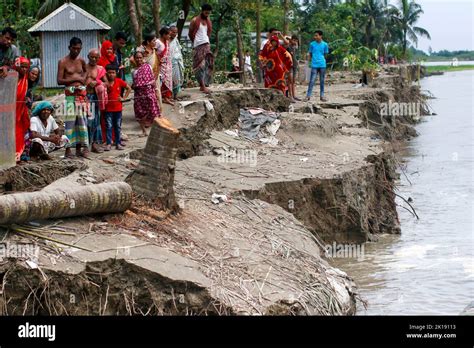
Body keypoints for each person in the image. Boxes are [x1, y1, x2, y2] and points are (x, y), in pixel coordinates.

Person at [57, 37, 90, 159]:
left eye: (79, 49)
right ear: (69, 47)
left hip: (81, 95)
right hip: (70, 96)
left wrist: (83, 79)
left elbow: (86, 72)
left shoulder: (81, 60)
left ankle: (81, 148)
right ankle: (68, 149)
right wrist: (76, 79)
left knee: (82, 123)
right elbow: (59, 80)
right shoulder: (63, 62)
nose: (76, 51)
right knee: (70, 124)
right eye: (74, 48)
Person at [131, 51, 161, 136]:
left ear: (143, 58)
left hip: (149, 93)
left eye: (140, 57)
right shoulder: (133, 71)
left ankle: (157, 130)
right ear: (134, 59)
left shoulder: (148, 67)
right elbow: (134, 83)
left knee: (154, 111)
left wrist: (156, 91)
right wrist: (136, 86)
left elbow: (152, 79)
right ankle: (144, 131)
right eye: (137, 58)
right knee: (140, 112)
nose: (139, 59)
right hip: (139, 94)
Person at [104, 64, 131, 151]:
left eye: (113, 72)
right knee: (109, 126)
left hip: (118, 109)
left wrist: (124, 98)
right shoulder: (105, 83)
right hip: (108, 109)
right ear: (106, 73)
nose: (111, 74)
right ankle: (108, 143)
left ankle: (118, 143)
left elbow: (128, 88)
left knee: (118, 126)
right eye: (109, 73)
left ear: (116, 73)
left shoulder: (119, 81)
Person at [189, 3, 214, 94]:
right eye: (206, 13)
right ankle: (202, 86)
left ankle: (204, 84)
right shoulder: (194, 20)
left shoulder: (208, 21)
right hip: (198, 46)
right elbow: (190, 34)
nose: (207, 14)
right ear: (202, 11)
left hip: (206, 44)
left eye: (208, 13)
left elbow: (208, 33)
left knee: (208, 64)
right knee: (200, 66)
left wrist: (206, 41)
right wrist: (196, 42)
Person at [85, 48, 106, 153]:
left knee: (96, 121)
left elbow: (106, 82)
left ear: (99, 58)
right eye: (92, 57)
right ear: (88, 56)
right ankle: (85, 144)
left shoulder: (100, 69)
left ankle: (94, 143)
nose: (94, 59)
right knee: (86, 121)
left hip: (95, 97)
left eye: (96, 57)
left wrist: (97, 82)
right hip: (84, 97)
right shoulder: (83, 68)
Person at [14, 57, 30, 163]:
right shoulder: (10, 78)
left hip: (21, 109)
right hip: (9, 109)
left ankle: (19, 153)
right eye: (22, 67)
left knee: (21, 129)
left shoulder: (26, 79)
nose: (24, 70)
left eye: (26, 67)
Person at [306, 30, 329, 102]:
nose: (315, 37)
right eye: (314, 35)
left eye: (316, 35)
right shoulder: (312, 44)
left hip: (322, 65)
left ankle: (322, 96)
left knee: (322, 81)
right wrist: (309, 62)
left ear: (320, 36)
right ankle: (308, 96)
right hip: (314, 64)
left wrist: (322, 60)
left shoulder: (325, 44)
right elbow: (310, 54)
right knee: (312, 81)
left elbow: (325, 54)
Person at [156, 27, 174, 106]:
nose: (169, 36)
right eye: (168, 35)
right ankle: (164, 97)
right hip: (161, 64)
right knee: (162, 80)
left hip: (168, 64)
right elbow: (155, 53)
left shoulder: (167, 42)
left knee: (168, 80)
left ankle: (167, 96)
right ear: (163, 35)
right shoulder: (157, 42)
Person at [169, 26, 184, 99]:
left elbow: (178, 50)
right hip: (169, 63)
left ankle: (176, 94)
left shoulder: (175, 39)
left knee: (177, 79)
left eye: (176, 32)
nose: (175, 34)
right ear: (169, 31)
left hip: (176, 62)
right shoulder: (166, 40)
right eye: (173, 32)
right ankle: (169, 95)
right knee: (169, 80)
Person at [286, 35, 301, 102]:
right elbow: (285, 38)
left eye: (296, 41)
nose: (295, 42)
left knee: (293, 81)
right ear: (291, 40)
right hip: (289, 65)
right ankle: (290, 96)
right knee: (290, 81)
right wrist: (290, 39)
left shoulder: (294, 47)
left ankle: (294, 96)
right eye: (294, 40)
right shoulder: (288, 46)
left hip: (294, 65)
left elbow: (298, 45)